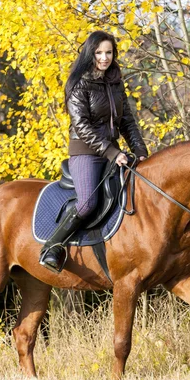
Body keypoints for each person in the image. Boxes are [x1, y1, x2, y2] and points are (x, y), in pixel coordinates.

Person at [39, 31, 148, 273]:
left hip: (112, 151)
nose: (104, 57)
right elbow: (82, 126)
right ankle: (52, 246)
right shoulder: (78, 83)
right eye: (99, 52)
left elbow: (127, 121)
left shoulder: (116, 82)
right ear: (90, 53)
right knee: (88, 203)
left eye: (109, 52)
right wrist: (112, 152)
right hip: (85, 151)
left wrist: (140, 151)